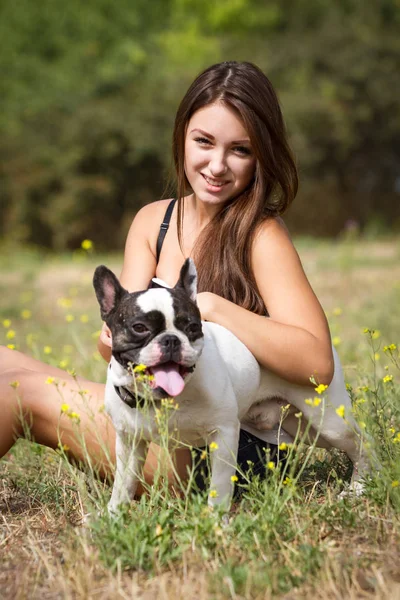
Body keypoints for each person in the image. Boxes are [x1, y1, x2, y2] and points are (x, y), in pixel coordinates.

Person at [0, 61, 334, 494]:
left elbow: (318, 365)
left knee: (17, 391)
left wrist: (212, 308)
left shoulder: (260, 236)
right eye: (204, 142)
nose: (217, 164)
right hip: (158, 412)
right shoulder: (153, 223)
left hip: (224, 440)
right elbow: (119, 349)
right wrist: (111, 336)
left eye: (240, 150)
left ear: (261, 158)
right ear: (181, 137)